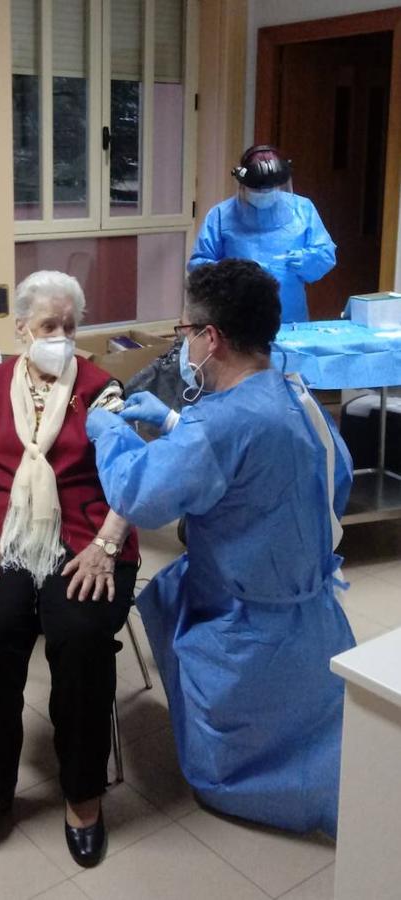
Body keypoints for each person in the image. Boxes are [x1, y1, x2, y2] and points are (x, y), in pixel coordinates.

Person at [85, 259, 355, 838]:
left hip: (244, 622)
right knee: (313, 727)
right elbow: (336, 480)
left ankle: (247, 793)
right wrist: (178, 422)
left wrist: (107, 434)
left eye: (184, 333)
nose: (181, 345)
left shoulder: (219, 426)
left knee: (239, 737)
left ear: (211, 339)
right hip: (307, 613)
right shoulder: (295, 394)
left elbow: (142, 492)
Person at [0, 270, 139, 868]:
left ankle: (83, 793)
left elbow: (128, 476)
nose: (61, 336)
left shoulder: (104, 389)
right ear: (22, 327)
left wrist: (107, 544)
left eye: (71, 326)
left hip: (86, 538)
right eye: (50, 325)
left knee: (80, 635)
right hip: (3, 537)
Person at [189, 144, 336, 323]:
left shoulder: (303, 209)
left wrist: (305, 260)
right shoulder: (221, 215)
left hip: (289, 315)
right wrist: (233, 273)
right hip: (236, 317)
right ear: (243, 183)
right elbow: (199, 267)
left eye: (270, 189)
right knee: (241, 349)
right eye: (258, 190)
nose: (264, 194)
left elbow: (325, 255)